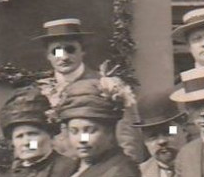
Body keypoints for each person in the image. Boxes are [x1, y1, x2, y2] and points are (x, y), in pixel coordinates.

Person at [33, 18, 147, 165]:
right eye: (57, 51)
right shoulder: (41, 92)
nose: (64, 57)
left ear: (83, 50)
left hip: (101, 172)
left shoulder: (108, 86)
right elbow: (34, 140)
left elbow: (128, 141)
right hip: (57, 175)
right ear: (48, 56)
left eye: (70, 49)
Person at [56, 78, 147, 177]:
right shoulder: (69, 168)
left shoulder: (121, 167)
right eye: (74, 131)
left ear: (110, 133)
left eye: (90, 130)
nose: (82, 139)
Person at [134, 90, 190, 177]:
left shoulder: (202, 166)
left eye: (169, 132)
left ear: (184, 130)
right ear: (144, 141)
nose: (162, 141)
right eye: (153, 136)